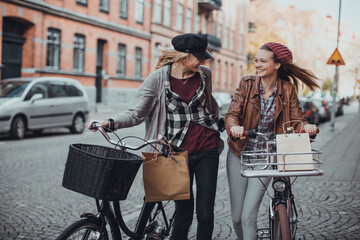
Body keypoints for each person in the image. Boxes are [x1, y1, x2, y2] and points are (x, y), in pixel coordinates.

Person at [89, 33, 224, 240]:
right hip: (175, 154)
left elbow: (209, 106)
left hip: (207, 149)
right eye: (198, 56)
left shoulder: (204, 74)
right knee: (183, 214)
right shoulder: (157, 79)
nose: (202, 61)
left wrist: (223, 124)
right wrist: (112, 122)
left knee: (205, 214)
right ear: (183, 56)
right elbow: (136, 113)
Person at [224, 42, 319, 240]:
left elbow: (297, 119)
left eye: (263, 61)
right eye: (256, 60)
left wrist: (306, 127)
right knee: (236, 218)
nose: (257, 64)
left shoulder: (287, 89)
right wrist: (234, 127)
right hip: (239, 153)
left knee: (248, 216)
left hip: (267, 157)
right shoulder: (247, 84)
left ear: (277, 65)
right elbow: (232, 113)